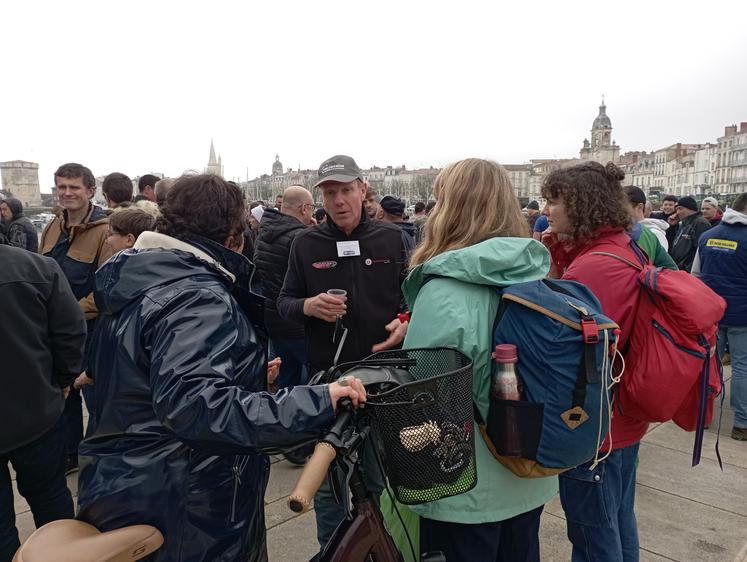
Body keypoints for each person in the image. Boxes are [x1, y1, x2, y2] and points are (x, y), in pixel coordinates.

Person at [77, 174, 366, 562]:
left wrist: (244, 376)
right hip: (187, 497)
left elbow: (137, 378)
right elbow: (197, 408)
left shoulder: (142, 278)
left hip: (128, 480)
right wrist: (318, 400)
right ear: (232, 236)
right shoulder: (196, 296)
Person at [391, 158, 557, 561]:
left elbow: (425, 400)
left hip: (466, 487)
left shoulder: (444, 290)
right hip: (528, 473)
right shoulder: (536, 276)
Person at [277, 154, 409, 550]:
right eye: (330, 192)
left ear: (362, 190)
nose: (338, 200)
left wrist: (407, 319)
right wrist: (308, 306)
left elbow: (415, 295)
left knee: (380, 483)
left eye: (346, 190)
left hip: (384, 380)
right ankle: (334, 552)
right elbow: (283, 301)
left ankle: (383, 551)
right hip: (329, 381)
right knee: (329, 489)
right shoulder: (306, 243)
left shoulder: (392, 238)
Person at [541, 161, 647, 562]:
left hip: (594, 425)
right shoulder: (618, 246)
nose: (547, 209)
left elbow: (565, 348)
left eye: (555, 200)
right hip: (620, 416)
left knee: (593, 536)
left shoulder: (593, 266)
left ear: (581, 204)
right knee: (618, 521)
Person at [0, 241, 87, 562]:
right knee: (51, 498)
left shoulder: (38, 269)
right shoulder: (37, 268)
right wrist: (63, 380)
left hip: (38, 412)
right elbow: (71, 331)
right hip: (37, 412)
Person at [39, 163, 114, 475]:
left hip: (90, 332)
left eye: (74, 187)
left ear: (90, 191)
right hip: (50, 330)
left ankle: (100, 461)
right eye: (62, 187)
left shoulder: (105, 231)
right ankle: (70, 454)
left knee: (96, 400)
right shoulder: (52, 226)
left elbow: (106, 291)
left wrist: (65, 313)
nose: (67, 193)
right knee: (61, 395)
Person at [692, 192, 747, 441]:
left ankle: (701, 415)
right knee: (742, 367)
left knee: (708, 362)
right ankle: (742, 423)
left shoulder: (708, 236)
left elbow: (696, 276)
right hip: (742, 315)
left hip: (712, 313)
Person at [254, 185, 314, 389]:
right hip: (296, 319)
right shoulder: (299, 238)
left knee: (287, 373)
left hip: (273, 316)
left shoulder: (265, 231)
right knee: (310, 376)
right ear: (304, 208)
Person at [624, 185, 676, 268]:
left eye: (624, 208)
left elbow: (667, 268)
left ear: (640, 207)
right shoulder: (627, 230)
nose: (619, 212)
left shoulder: (654, 234)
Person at [668, 195, 712, 272]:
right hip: (678, 270)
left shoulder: (700, 224)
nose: (677, 212)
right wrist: (672, 226)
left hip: (687, 273)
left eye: (680, 209)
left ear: (691, 209)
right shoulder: (684, 224)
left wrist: (687, 269)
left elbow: (700, 251)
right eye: (677, 209)